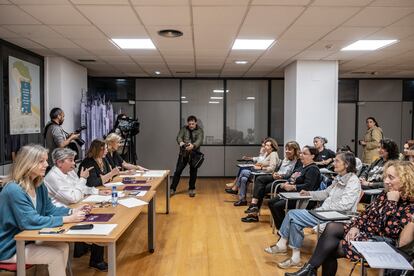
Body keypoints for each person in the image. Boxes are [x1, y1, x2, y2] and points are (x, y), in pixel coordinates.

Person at [286, 160, 414, 276]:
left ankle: (309, 270)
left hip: (381, 242)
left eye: (391, 177)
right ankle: (310, 269)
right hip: (366, 231)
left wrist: (391, 203)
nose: (386, 181)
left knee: (329, 249)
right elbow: (366, 214)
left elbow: (389, 232)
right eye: (385, 177)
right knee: (332, 227)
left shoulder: (410, 204)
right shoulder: (386, 194)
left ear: (405, 179)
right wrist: (355, 226)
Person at [0, 145, 88, 276]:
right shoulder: (13, 189)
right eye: (41, 161)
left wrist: (71, 212)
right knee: (55, 256)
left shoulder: (39, 185)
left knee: (63, 247)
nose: (47, 164)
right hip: (9, 248)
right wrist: (67, 219)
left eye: (46, 160)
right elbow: (29, 221)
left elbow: (49, 209)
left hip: (27, 240)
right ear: (27, 163)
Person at [265, 152, 361, 269]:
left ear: (346, 164)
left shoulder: (353, 181)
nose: (333, 163)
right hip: (324, 212)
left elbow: (344, 206)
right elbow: (325, 193)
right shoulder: (339, 178)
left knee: (292, 214)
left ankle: (282, 244)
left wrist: (323, 210)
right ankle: (295, 258)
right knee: (295, 221)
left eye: (337, 161)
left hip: (336, 217)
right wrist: (309, 193)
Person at [44, 148, 110, 271]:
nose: (74, 164)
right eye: (71, 160)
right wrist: (83, 178)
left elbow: (81, 189)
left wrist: (97, 191)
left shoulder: (69, 171)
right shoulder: (53, 176)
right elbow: (73, 197)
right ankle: (96, 259)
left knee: (101, 214)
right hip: (62, 213)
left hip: (74, 207)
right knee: (97, 222)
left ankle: (95, 256)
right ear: (59, 163)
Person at [241, 141, 301, 222]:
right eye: (286, 149)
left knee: (260, 184)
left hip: (283, 181)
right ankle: (253, 209)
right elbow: (277, 169)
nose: (287, 151)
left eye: (289, 150)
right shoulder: (285, 159)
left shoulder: (298, 162)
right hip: (276, 178)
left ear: (295, 150)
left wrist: (281, 176)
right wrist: (275, 173)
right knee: (260, 183)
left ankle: (253, 210)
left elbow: (293, 176)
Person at [268, 146, 321, 230]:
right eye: (301, 153)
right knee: (271, 202)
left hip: (304, 198)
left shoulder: (313, 169)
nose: (301, 155)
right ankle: (283, 229)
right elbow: (292, 178)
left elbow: (308, 187)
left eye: (305, 154)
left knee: (277, 206)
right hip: (293, 194)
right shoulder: (302, 167)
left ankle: (283, 230)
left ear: (312, 156)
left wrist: (293, 187)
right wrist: (286, 183)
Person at [229, 138, 279, 206]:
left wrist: (261, 167)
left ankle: (235, 189)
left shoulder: (273, 154)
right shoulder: (267, 153)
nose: (265, 146)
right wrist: (258, 164)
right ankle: (242, 199)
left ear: (272, 147)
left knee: (243, 171)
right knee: (243, 179)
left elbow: (272, 168)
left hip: (264, 175)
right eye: (265, 145)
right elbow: (260, 161)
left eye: (267, 145)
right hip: (257, 172)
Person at [170, 115, 204, 198]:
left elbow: (200, 140)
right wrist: (181, 142)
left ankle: (192, 189)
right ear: (187, 124)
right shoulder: (184, 129)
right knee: (178, 171)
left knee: (193, 172)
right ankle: (172, 188)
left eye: (193, 123)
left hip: (194, 154)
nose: (191, 125)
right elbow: (179, 137)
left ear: (196, 123)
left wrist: (193, 145)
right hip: (183, 154)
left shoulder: (200, 130)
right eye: (190, 124)